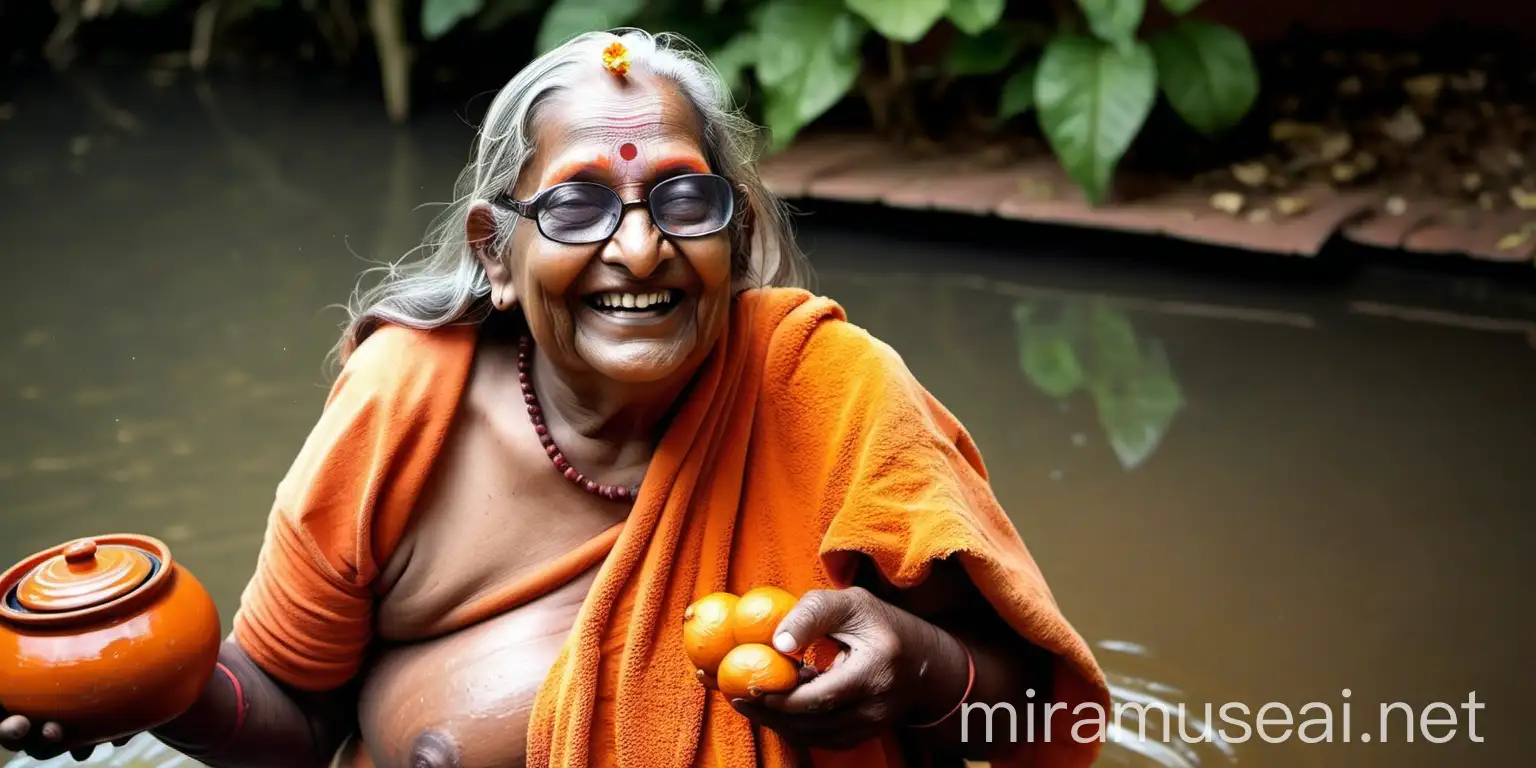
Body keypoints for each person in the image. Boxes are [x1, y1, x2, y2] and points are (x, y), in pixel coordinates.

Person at [0, 28, 1109, 768]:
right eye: (577, 208)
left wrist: (921, 668)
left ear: (737, 230)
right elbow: (297, 723)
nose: (640, 246)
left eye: (683, 197)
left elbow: (1038, 715)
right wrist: (152, 684)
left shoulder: (835, 395)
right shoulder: (403, 410)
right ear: (494, 251)